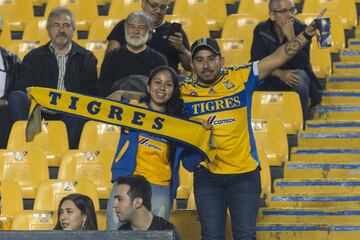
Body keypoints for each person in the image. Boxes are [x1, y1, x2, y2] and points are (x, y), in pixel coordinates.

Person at [180, 18, 316, 239]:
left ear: (221, 60)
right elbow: (154, 98)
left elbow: (278, 57)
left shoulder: (240, 77)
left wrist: (306, 34)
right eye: (199, 60)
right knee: (211, 236)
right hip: (207, 175)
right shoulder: (182, 91)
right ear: (192, 65)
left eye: (211, 58)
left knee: (245, 236)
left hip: (244, 174)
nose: (206, 65)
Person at [106, 65, 184, 230]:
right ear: (148, 86)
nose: (162, 88)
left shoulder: (177, 121)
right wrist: (125, 94)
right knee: (114, 236)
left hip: (160, 186)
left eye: (168, 84)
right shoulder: (132, 107)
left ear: (174, 91)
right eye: (157, 82)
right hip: (127, 182)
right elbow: (104, 105)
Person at [8, 7, 98, 148]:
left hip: (71, 111)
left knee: (82, 104)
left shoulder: (86, 58)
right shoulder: (33, 57)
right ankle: (27, 145)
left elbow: (90, 92)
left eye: (66, 26)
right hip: (38, 110)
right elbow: (23, 87)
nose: (61, 30)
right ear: (48, 30)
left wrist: (65, 104)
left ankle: (69, 151)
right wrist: (41, 102)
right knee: (16, 97)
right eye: (56, 25)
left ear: (73, 30)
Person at [250, 0, 319, 120]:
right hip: (270, 75)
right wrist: (279, 73)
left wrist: (291, 38)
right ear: (272, 15)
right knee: (250, 82)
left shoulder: (302, 29)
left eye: (292, 10)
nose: (290, 15)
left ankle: (300, 123)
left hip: (294, 72)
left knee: (300, 81)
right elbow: (256, 61)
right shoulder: (261, 30)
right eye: (283, 11)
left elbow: (302, 63)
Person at [106, 0, 191, 72]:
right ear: (143, 3)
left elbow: (190, 67)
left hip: (164, 86)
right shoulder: (126, 26)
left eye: (163, 7)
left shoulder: (175, 32)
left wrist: (181, 49)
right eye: (154, 5)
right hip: (128, 83)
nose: (158, 10)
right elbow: (109, 60)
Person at [98, 11, 167, 97]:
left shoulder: (159, 60)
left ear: (149, 33)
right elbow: (102, 91)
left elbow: (160, 94)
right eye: (131, 26)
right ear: (125, 30)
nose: (135, 31)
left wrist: (123, 94)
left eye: (141, 27)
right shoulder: (111, 57)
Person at [113, 175, 180, 239]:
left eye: (120, 199)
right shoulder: (120, 234)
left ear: (137, 202)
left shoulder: (168, 232)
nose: (114, 205)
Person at [0, 16, 21, 148]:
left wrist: (5, 101)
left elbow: (19, 91)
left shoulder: (12, 60)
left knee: (6, 112)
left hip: (4, 110)